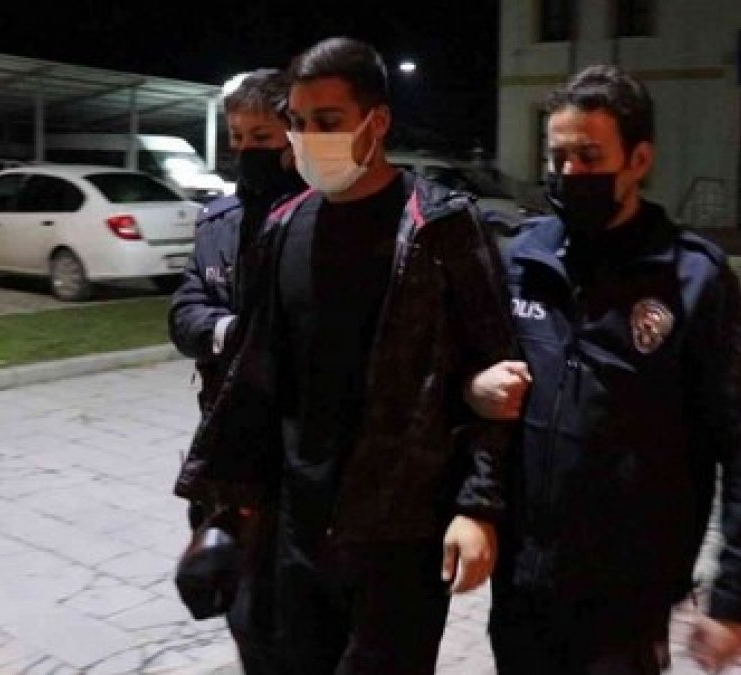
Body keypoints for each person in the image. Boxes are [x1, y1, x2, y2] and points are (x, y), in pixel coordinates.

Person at [173, 37, 517, 674]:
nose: (308, 139)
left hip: (401, 535)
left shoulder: (442, 227)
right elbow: (257, 378)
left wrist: (478, 506)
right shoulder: (285, 226)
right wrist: (224, 510)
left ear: (376, 121)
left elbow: (497, 372)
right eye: (299, 122)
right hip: (296, 527)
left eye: (328, 121)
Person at [470, 65, 741, 674]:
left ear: (638, 160)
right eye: (558, 157)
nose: (569, 173)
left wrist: (737, 592)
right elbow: (482, 386)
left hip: (628, 591)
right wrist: (473, 391)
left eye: (589, 156)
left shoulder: (693, 278)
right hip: (525, 579)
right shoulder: (523, 259)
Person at [168, 68, 303, 674]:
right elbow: (185, 311)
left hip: (303, 455)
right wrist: (227, 332)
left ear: (294, 137)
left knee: (303, 618)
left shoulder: (326, 217)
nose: (248, 151)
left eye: (262, 138)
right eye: (238, 138)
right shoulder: (219, 221)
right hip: (228, 449)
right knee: (246, 615)